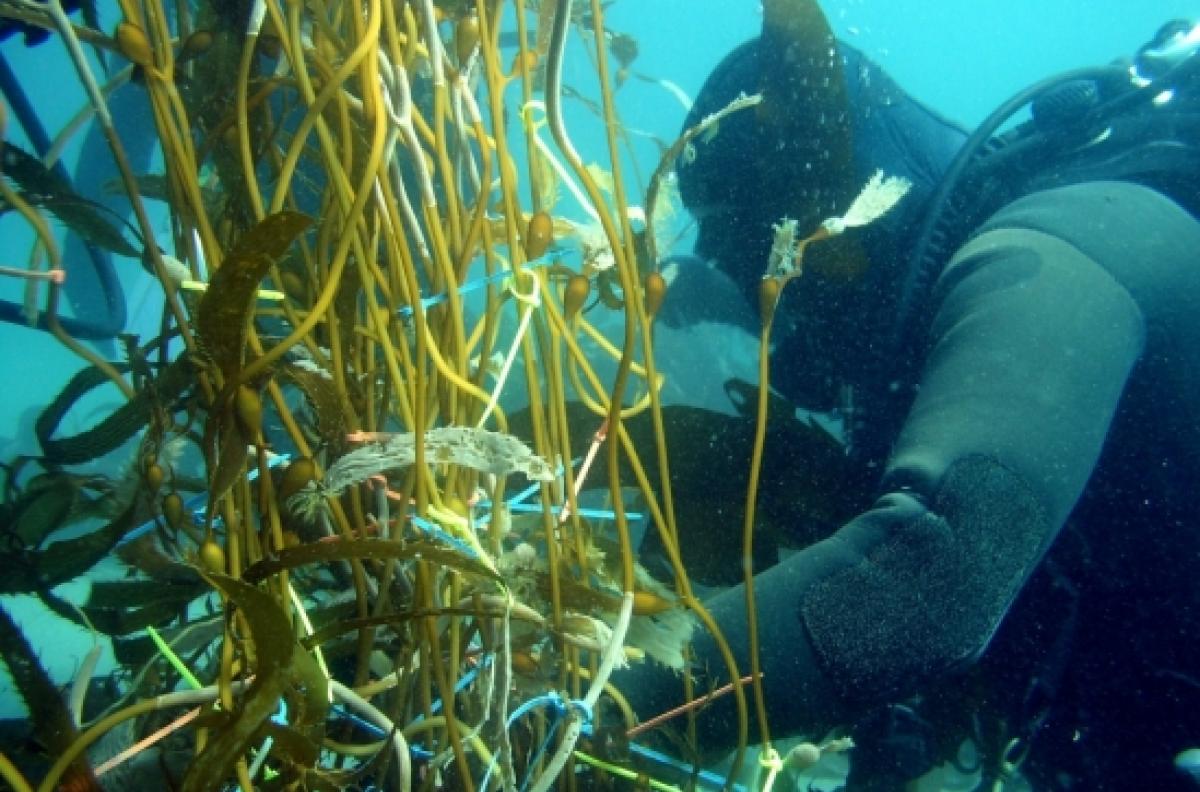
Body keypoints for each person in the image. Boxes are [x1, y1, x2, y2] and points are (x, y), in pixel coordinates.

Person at [627, 4, 1200, 790]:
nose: (777, 323)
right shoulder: (949, 318)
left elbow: (932, 580)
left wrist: (577, 708)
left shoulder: (1059, 256)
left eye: (757, 256)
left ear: (831, 200)